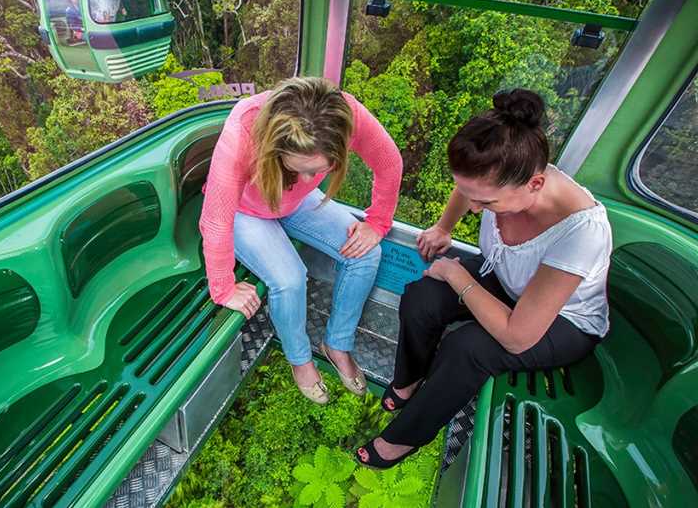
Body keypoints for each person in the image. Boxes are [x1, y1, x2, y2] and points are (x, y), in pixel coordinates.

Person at [356, 89, 612, 468]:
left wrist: (457, 274)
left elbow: (517, 335)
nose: (475, 208)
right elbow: (469, 189)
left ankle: (405, 438)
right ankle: (408, 381)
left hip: (561, 321)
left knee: (468, 347)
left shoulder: (581, 232)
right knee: (423, 297)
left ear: (536, 185)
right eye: (470, 196)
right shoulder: (503, 177)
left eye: (487, 204)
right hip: (508, 281)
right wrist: (444, 227)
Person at [199, 77, 403, 404]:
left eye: (320, 170)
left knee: (367, 254)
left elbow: (389, 161)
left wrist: (378, 222)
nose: (311, 178)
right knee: (291, 279)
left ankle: (337, 343)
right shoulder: (243, 132)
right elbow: (216, 218)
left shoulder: (347, 115)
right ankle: (300, 358)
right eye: (301, 169)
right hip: (246, 209)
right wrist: (223, 286)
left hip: (295, 203)